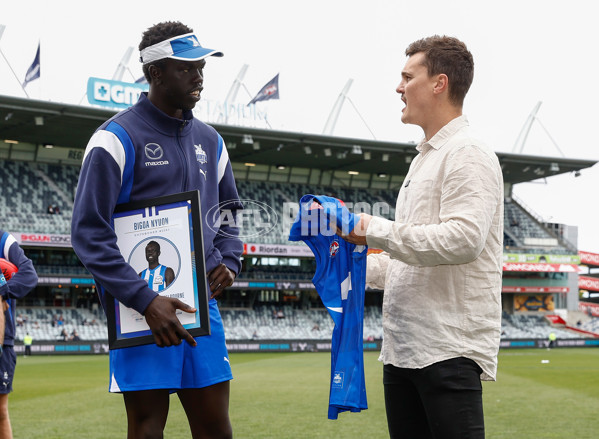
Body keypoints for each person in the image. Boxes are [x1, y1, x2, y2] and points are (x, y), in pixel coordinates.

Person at [71, 21, 242, 439]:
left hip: (201, 304)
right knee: (147, 428)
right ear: (155, 72)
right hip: (138, 309)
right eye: (185, 68)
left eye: (201, 67)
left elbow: (229, 212)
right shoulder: (115, 138)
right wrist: (146, 300)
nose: (198, 76)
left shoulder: (210, 140)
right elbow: (88, 233)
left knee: (216, 427)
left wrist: (231, 257)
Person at [338, 35, 503, 438]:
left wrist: (370, 228)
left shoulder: (468, 152)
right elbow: (411, 259)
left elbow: (464, 239)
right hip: (404, 351)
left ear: (439, 83)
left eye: (407, 76)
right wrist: (350, 262)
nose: (398, 87)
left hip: (447, 349)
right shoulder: (424, 159)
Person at [0, 229, 38, 438]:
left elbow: (29, 274)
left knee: (0, 412)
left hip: (2, 339)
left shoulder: (3, 240)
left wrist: (2, 291)